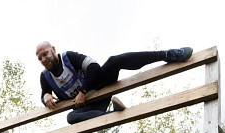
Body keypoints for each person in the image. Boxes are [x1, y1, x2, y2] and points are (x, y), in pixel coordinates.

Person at [36, 41, 193, 124]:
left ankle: (169, 54)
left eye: (45, 54)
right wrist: (46, 97)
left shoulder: (68, 57)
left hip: (101, 85)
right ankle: (113, 114)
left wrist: (83, 92)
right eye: (40, 58)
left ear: (53, 50)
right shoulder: (45, 77)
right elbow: (45, 94)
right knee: (71, 118)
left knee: (114, 60)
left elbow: (93, 67)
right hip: (91, 107)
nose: (44, 59)